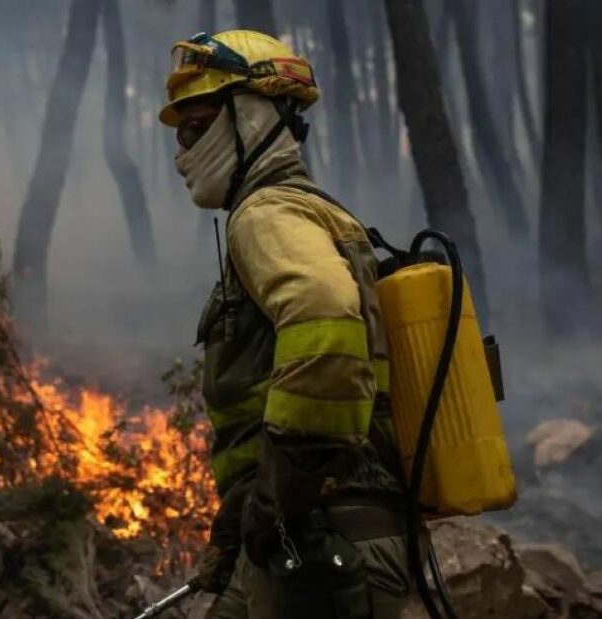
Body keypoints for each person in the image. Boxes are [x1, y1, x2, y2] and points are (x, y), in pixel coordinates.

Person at [159, 30, 415, 618]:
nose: (182, 153)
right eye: (179, 134)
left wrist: (276, 498)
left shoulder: (266, 213)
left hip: (320, 539)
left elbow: (325, 325)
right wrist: (246, 515)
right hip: (307, 535)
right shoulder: (313, 212)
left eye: (196, 127)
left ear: (251, 115)